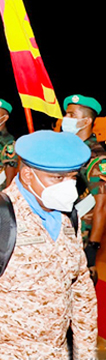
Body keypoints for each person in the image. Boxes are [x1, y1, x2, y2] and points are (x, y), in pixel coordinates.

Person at [0, 130, 97, 359]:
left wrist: (85, 355)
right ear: (27, 175)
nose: (68, 186)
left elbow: (81, 292)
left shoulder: (67, 220)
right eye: (57, 178)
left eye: (72, 177)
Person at [62, 94, 106, 281]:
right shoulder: (66, 150)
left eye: (72, 115)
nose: (66, 119)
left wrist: (92, 250)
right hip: (60, 233)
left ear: (86, 121)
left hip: (80, 236)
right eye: (67, 114)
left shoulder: (96, 158)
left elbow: (102, 205)